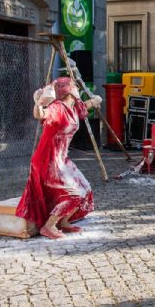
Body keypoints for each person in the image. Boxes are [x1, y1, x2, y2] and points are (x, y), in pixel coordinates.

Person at [16, 77, 102, 239]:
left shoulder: (73, 106)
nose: (78, 89)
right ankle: (49, 226)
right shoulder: (57, 108)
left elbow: (85, 107)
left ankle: (63, 221)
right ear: (68, 91)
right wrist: (39, 103)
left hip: (62, 159)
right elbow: (40, 114)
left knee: (85, 189)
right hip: (48, 160)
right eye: (75, 87)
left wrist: (96, 100)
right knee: (74, 194)